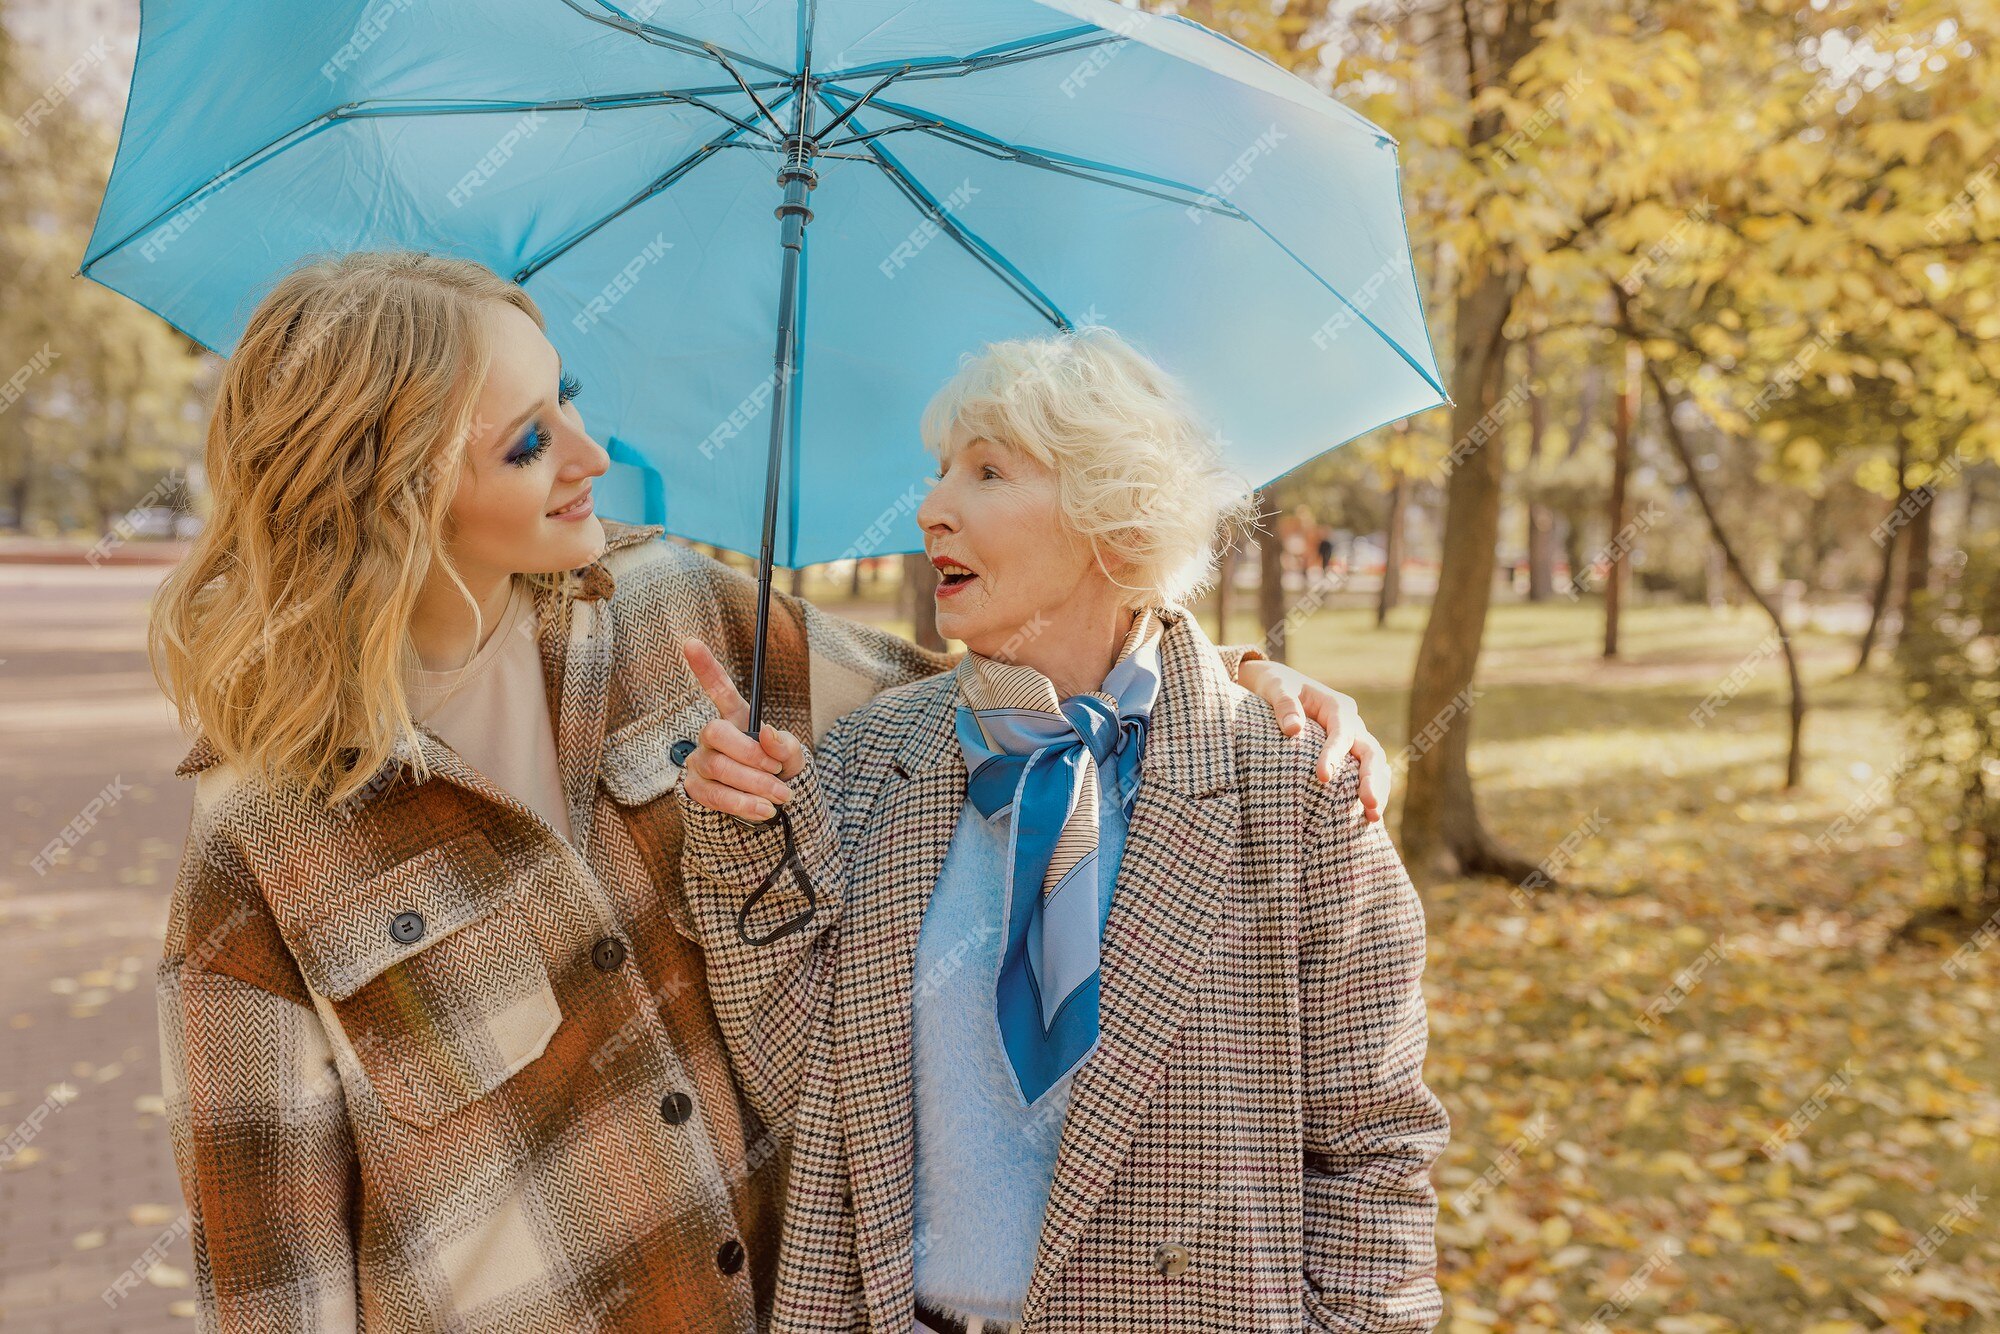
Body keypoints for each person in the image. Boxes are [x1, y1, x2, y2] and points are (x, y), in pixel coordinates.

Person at [149, 251, 1391, 1331]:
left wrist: (1240, 685)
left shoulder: (676, 618)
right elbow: (270, 1279)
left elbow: (1017, 692)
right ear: (390, 488)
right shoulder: (260, 849)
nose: (591, 455)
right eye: (528, 440)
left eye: (567, 401)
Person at [678, 328, 1450, 1333]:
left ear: (1114, 522)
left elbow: (1374, 1144)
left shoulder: (1294, 778)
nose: (930, 507)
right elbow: (801, 1083)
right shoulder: (871, 754)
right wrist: (749, 833)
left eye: (987, 470)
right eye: (939, 472)